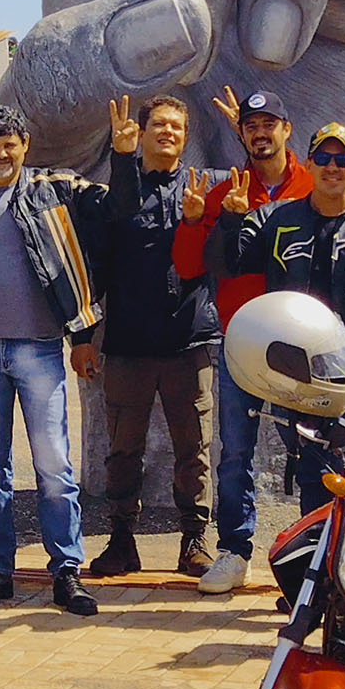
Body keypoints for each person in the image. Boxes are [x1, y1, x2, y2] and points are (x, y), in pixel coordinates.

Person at [0, 102, 112, 615]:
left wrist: (84, 332)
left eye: (10, 145)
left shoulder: (54, 190)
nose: (2, 154)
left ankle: (67, 572)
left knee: (54, 467)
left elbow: (110, 211)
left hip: (40, 350)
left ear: (25, 147)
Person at [213, 117, 345, 508]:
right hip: (294, 371)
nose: (333, 166)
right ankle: (318, 567)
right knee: (315, 478)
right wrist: (229, 220)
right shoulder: (275, 219)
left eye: (343, 158)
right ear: (308, 165)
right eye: (324, 158)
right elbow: (226, 266)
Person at [171, 87, 316, 594]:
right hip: (242, 341)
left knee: (314, 450)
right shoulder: (225, 192)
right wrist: (194, 222)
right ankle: (234, 549)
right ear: (241, 133)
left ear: (286, 129)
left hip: (302, 344)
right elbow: (191, 267)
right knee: (235, 452)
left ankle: (316, 556)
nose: (260, 133)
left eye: (268, 123)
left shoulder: (312, 185)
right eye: (251, 126)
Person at [89, 94, 213, 580]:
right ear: (141, 132)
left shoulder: (200, 187)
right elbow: (113, 225)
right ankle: (121, 540)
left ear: (186, 137)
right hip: (129, 344)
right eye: (158, 125)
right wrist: (121, 159)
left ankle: (195, 539)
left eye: (176, 127)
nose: (167, 133)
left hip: (187, 343)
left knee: (194, 449)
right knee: (122, 450)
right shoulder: (118, 188)